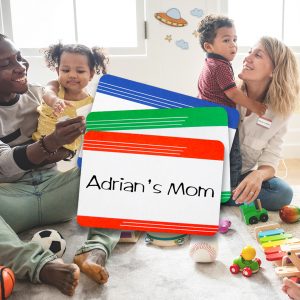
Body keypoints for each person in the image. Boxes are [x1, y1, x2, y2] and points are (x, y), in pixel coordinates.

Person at [0, 34, 120, 296]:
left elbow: (68, 151)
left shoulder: (39, 94)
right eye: (6, 64)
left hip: (54, 188)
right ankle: (41, 266)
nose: (21, 66)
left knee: (114, 175)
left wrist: (68, 146)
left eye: (19, 57)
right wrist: (51, 142)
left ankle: (95, 250)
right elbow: (6, 166)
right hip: (10, 198)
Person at [228, 36, 299, 210]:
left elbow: (270, 160)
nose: (247, 57)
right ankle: (225, 195)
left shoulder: (279, 113)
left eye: (258, 55)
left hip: (240, 175)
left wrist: (258, 175)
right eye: (250, 52)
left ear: (274, 70)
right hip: (213, 171)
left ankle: (220, 196)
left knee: (282, 193)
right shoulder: (226, 94)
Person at [197, 14, 267, 189]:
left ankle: (214, 185)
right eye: (226, 40)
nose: (233, 45)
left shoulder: (209, 63)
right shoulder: (220, 66)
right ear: (209, 46)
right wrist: (255, 106)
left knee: (216, 157)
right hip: (223, 120)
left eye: (235, 39)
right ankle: (234, 187)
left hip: (210, 119)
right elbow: (233, 94)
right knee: (233, 157)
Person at [32, 42, 108, 158]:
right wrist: (55, 101)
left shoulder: (91, 102)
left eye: (80, 71)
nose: (72, 75)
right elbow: (47, 93)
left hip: (68, 154)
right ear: (58, 71)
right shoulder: (55, 87)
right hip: (41, 148)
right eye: (66, 70)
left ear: (91, 74)